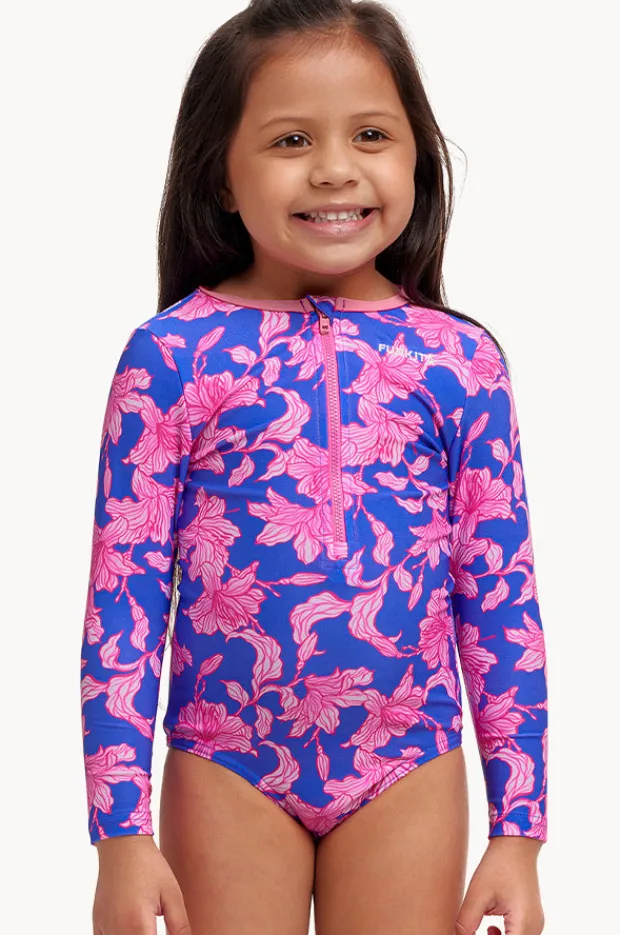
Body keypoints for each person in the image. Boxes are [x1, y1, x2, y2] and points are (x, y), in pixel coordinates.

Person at [80, 1, 549, 933]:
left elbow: (501, 595)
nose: (335, 168)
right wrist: (120, 832)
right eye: (291, 139)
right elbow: (122, 594)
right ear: (221, 174)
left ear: (416, 157)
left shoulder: (459, 362)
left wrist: (520, 829)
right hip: (226, 759)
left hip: (406, 761)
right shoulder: (171, 356)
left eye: (371, 134)